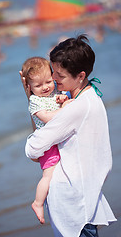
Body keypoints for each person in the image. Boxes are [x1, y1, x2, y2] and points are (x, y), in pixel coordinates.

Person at [22, 35, 117, 237]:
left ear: (80, 75)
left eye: (60, 75)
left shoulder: (74, 109)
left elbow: (32, 150)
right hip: (84, 196)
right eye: (53, 72)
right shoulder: (90, 97)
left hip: (72, 201)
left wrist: (31, 101)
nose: (54, 80)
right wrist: (36, 104)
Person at [20, 57, 71, 225]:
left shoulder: (54, 92)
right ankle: (38, 202)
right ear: (29, 87)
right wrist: (64, 109)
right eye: (38, 85)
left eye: (48, 81)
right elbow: (48, 118)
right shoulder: (34, 101)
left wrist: (62, 100)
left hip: (56, 140)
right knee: (48, 176)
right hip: (47, 144)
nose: (45, 88)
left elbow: (58, 101)